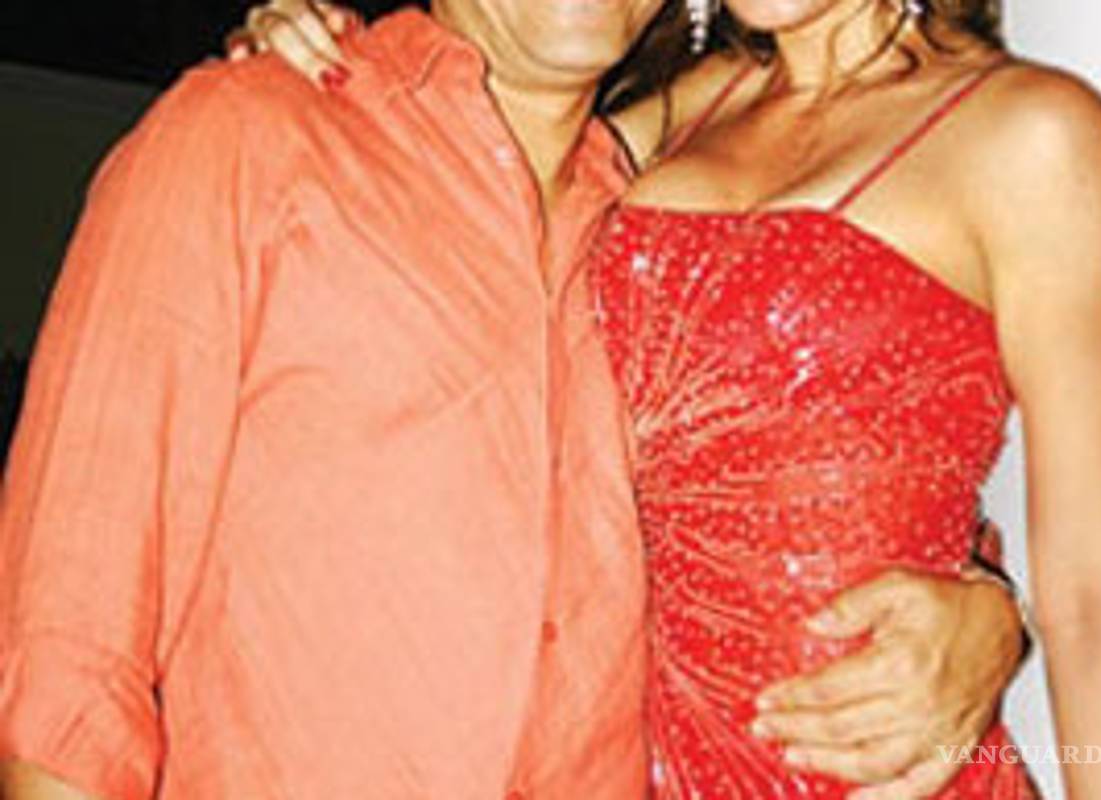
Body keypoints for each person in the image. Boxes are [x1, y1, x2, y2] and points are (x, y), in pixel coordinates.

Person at [0, 2, 1034, 799]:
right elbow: (66, 659)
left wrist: (992, 612)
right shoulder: (247, 135)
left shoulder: (652, 244)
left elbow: (804, 487)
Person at [246, 0, 1101, 798]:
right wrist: (315, 59)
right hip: (617, 760)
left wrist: (1005, 622)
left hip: (863, 773)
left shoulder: (1034, 138)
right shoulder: (669, 113)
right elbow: (436, 160)